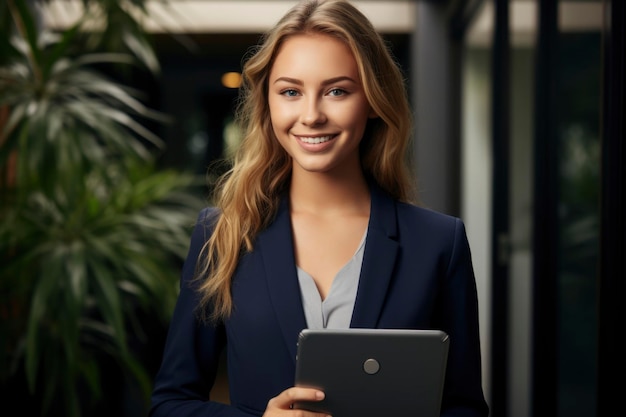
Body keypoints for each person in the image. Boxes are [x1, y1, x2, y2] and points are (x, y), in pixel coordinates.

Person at [149, 0, 489, 416]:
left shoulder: (439, 243)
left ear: (372, 100)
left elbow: (465, 408)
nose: (311, 115)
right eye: (290, 92)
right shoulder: (221, 236)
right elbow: (170, 404)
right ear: (268, 103)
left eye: (337, 91)